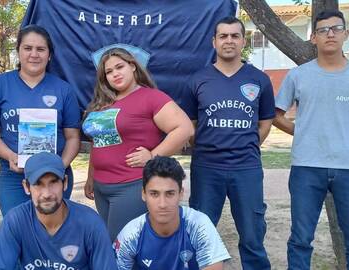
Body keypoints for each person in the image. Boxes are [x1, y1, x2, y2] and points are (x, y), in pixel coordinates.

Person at [273, 10, 349, 269]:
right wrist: (303, 132)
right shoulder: (298, 75)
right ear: (313, 38)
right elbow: (276, 116)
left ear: (346, 34)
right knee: (300, 240)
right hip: (306, 166)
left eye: (336, 29)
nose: (330, 34)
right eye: (322, 30)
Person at [181, 16, 275, 269]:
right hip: (207, 167)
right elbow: (189, 123)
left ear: (243, 41)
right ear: (214, 42)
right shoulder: (198, 79)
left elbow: (266, 122)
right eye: (223, 36)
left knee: (253, 234)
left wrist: (247, 144)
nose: (229, 41)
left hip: (246, 167)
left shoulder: (259, 79)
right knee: (200, 230)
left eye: (235, 35)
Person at [82, 47, 194, 240]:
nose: (115, 74)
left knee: (121, 245)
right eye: (109, 71)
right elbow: (98, 143)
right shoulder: (103, 103)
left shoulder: (151, 97)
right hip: (101, 187)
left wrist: (152, 156)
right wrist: (91, 177)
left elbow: (184, 129)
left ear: (133, 66)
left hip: (129, 186)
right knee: (113, 244)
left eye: (120, 67)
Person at [0, 25, 81, 216]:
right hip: (14, 176)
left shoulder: (63, 89)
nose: (34, 54)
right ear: (18, 51)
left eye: (41, 49)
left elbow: (73, 137)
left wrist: (61, 165)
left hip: (55, 176)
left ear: (49, 55)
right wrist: (9, 155)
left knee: (54, 231)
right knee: (18, 229)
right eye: (27, 48)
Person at [0, 152, 117, 270]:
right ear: (26, 187)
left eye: (53, 182)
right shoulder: (15, 221)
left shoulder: (90, 223)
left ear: (65, 183)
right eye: (38, 184)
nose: (47, 193)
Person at [115, 156, 231, 270]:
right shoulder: (131, 235)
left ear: (181, 194)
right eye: (154, 194)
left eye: (170, 194)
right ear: (144, 194)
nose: (162, 204)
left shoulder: (199, 225)